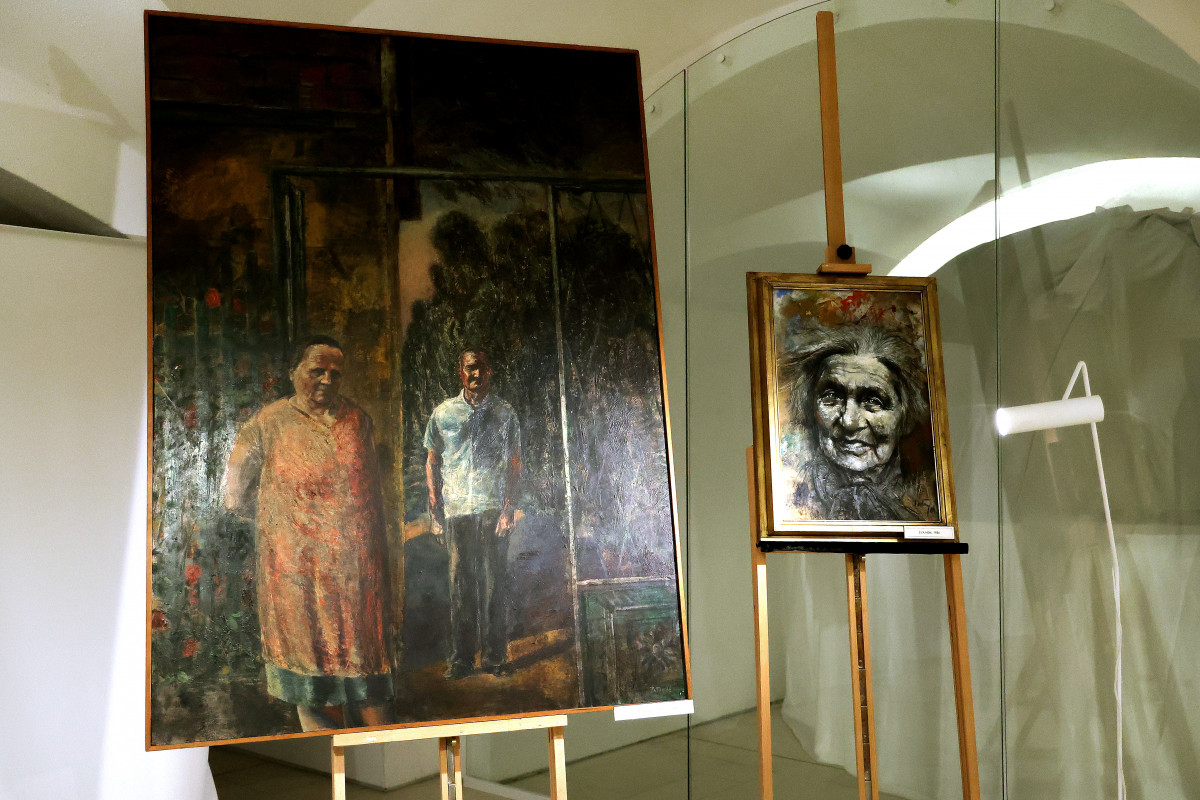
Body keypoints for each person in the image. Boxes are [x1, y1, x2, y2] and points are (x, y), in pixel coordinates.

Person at [224, 335, 395, 731]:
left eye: (335, 373)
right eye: (317, 371)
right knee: (311, 674)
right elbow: (233, 494)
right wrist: (282, 523)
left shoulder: (358, 421)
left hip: (354, 572)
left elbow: (372, 491)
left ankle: (380, 747)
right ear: (293, 372)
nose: (327, 380)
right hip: (296, 570)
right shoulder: (267, 423)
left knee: (365, 674)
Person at [425, 348, 522, 679]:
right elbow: (432, 461)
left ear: (489, 371)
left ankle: (495, 658)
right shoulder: (443, 413)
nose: (475, 374)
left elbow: (515, 463)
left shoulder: (505, 413)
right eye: (469, 368)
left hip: (493, 508)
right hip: (457, 510)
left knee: (495, 585)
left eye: (480, 367)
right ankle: (462, 660)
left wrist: (509, 509)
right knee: (461, 586)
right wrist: (434, 509)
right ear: (460, 373)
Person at [781, 324, 938, 522]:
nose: (849, 422)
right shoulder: (790, 492)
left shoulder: (928, 500)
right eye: (832, 396)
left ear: (906, 414)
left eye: (873, 401)